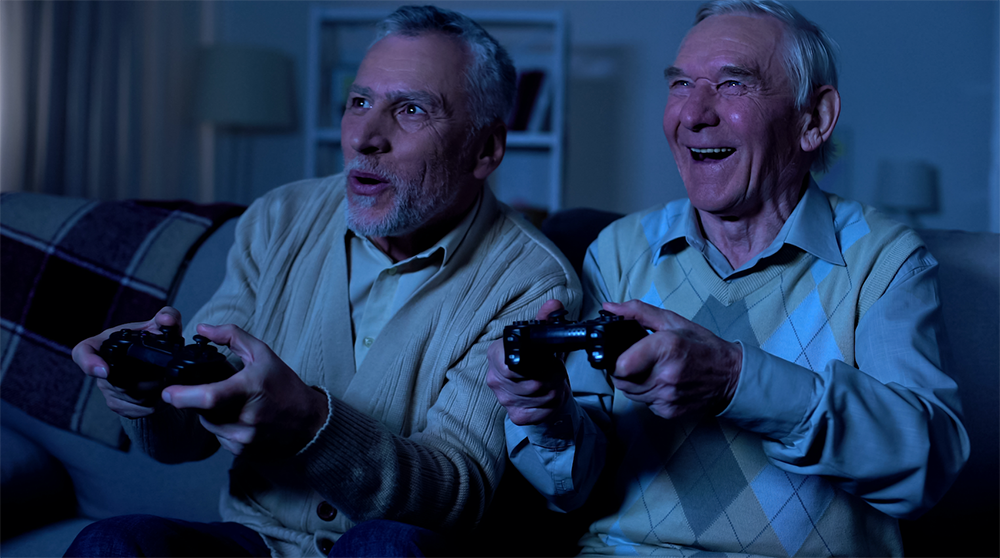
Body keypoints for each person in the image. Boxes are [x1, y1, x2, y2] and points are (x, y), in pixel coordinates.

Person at [68, 5, 581, 558]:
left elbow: (456, 497)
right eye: (359, 102)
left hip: (394, 549)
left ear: (486, 150)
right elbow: (183, 441)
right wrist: (149, 386)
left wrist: (313, 422)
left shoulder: (532, 282)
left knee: (385, 547)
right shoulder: (280, 216)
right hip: (258, 543)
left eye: (410, 110)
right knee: (110, 542)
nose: (365, 137)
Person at [486, 1, 969, 556]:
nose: (692, 113)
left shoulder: (880, 257)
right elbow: (573, 488)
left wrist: (734, 380)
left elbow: (926, 464)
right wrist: (547, 414)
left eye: (733, 84)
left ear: (814, 120)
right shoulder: (622, 249)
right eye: (681, 84)